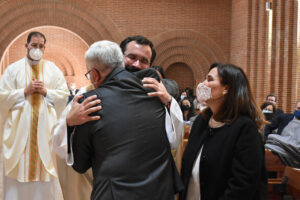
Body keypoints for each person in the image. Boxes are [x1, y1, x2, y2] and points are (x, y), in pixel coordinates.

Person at [52, 35, 184, 200]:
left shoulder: (157, 93)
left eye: (144, 61)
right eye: (132, 57)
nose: (137, 65)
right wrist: (68, 122)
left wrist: (170, 102)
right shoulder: (88, 96)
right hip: (102, 183)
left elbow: (173, 140)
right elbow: (62, 146)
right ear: (120, 58)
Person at [180, 63, 268, 200]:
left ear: (226, 88)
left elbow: (243, 184)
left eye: (209, 79)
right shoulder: (201, 122)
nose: (202, 84)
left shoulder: (245, 128)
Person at [0, 31, 69, 200]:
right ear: (27, 46)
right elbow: (2, 96)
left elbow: (64, 95)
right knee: (17, 182)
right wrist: (24, 91)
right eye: (34, 45)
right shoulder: (12, 70)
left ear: (44, 48)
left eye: (40, 46)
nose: (37, 49)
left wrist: (46, 92)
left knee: (44, 182)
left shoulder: (53, 70)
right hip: (19, 137)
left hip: (45, 134)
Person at [265, 100, 300, 167]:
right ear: (295, 109)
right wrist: (267, 138)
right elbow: (268, 126)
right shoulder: (284, 117)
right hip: (279, 151)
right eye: (299, 108)